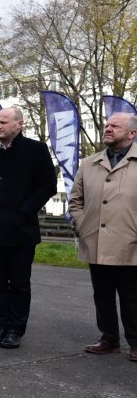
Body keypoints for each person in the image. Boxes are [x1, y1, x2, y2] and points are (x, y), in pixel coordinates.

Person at [0, 107, 56, 349]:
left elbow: (47, 185)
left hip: (21, 232)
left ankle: (15, 329)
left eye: (4, 122)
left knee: (19, 283)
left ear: (19, 125)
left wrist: (25, 210)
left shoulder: (35, 150)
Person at [68, 113, 137, 362]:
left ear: (132, 133)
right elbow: (75, 200)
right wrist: (81, 224)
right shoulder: (89, 163)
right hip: (95, 240)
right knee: (102, 294)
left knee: (132, 296)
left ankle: (135, 341)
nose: (108, 128)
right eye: (106, 125)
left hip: (131, 243)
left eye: (115, 126)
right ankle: (109, 338)